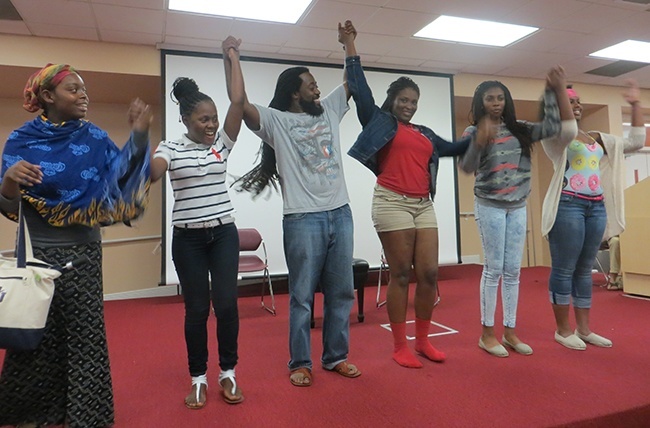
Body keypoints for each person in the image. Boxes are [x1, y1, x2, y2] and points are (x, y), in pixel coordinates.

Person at [0, 64, 152, 427]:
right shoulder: (20, 141)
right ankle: (33, 411)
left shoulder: (95, 139)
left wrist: (139, 137)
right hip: (37, 252)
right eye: (73, 89)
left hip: (83, 253)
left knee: (85, 336)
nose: (84, 95)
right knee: (36, 333)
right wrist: (8, 180)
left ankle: (86, 416)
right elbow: (8, 205)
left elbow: (123, 182)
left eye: (84, 89)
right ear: (48, 97)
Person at [339, 21, 476, 368]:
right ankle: (400, 346)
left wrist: (482, 132)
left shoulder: (424, 133)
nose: (409, 105)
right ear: (393, 100)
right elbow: (360, 88)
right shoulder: (379, 121)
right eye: (404, 99)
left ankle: (423, 341)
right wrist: (350, 46)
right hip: (391, 202)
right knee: (401, 273)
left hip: (422, 205)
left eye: (414, 101)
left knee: (429, 274)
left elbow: (456, 146)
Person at [234, 28, 360, 388]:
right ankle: (300, 363)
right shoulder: (277, 122)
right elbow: (240, 103)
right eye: (311, 84)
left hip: (341, 212)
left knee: (341, 293)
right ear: (294, 92)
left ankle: (336, 357)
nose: (317, 89)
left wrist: (348, 43)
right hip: (303, 219)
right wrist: (233, 58)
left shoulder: (329, 111)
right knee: (302, 296)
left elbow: (353, 82)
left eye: (317, 83)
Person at [150, 36, 246, 408]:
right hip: (187, 240)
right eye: (204, 119)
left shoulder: (220, 144)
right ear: (186, 119)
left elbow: (238, 101)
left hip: (223, 234)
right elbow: (155, 173)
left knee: (226, 305)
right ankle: (198, 379)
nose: (211, 124)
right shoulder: (169, 148)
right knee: (196, 310)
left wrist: (232, 55)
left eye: (214, 118)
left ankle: (228, 374)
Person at [458, 69, 576, 357]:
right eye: (489, 99)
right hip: (490, 205)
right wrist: (479, 142)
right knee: (494, 269)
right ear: (480, 102)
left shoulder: (521, 128)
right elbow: (467, 167)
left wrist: (551, 92)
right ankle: (487, 334)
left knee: (513, 271)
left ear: (506, 101)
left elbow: (551, 127)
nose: (496, 103)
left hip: (518, 205)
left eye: (500, 98)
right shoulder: (472, 132)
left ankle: (510, 331)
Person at [541, 80, 645, 350]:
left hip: (595, 207)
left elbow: (635, 141)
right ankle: (563, 330)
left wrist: (634, 104)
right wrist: (557, 93)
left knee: (585, 270)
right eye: (569, 101)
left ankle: (584, 329)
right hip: (568, 206)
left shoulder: (598, 138)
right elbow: (567, 128)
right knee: (565, 269)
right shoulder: (555, 135)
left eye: (577, 101)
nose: (576, 105)